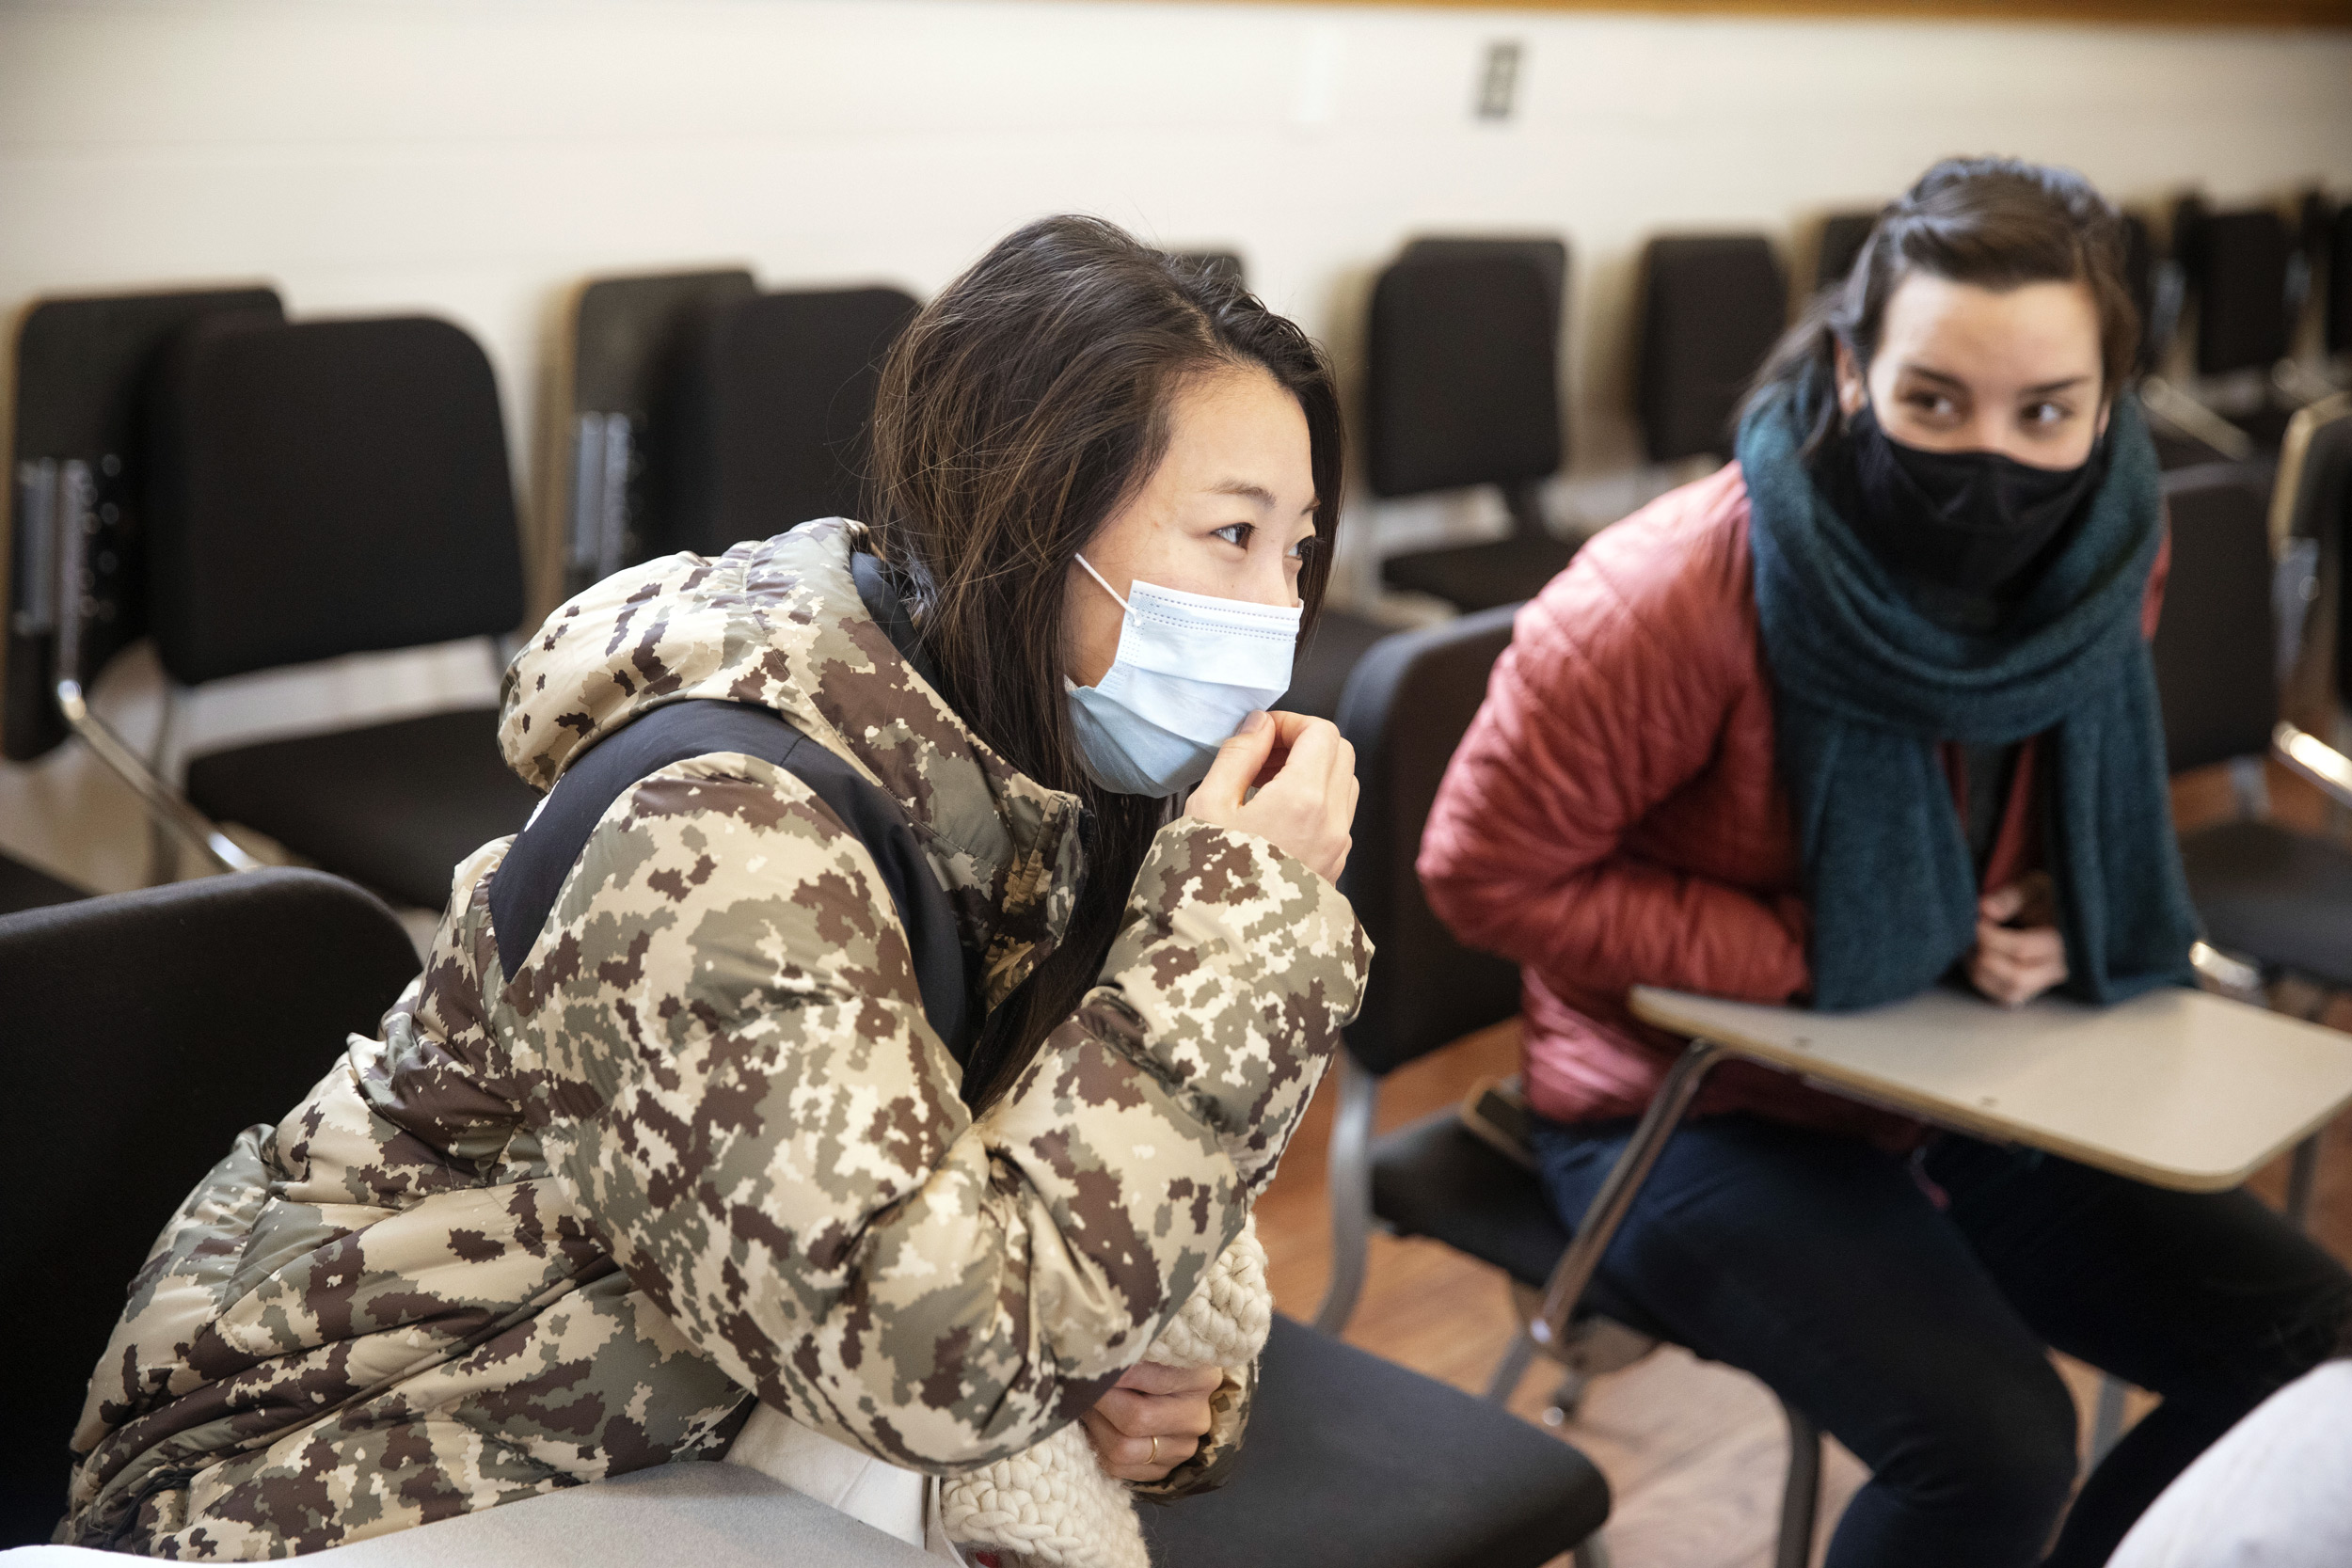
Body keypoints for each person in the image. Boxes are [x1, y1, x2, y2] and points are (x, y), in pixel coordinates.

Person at [59, 215, 1367, 1560]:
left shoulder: (1060, 761)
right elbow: (934, 1356)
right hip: (351, 1460)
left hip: (683, 1416)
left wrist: (1156, 1394)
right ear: (1028, 516)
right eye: (1231, 535)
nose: (1275, 614)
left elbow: (1092, 1204)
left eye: (1300, 546)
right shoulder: (724, 831)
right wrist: (1235, 941)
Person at [1419, 156, 2351, 1568]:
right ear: (1852, 374)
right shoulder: (1668, 592)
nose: (1992, 456)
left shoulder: (2107, 556)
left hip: (1956, 1061)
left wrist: (2048, 905)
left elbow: (2020, 811)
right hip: (1690, 1105)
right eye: (1934, 401)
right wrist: (1826, 949)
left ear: (2110, 402)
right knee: (1995, 1450)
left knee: (2315, 1359)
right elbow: (1482, 874)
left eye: (2046, 411)